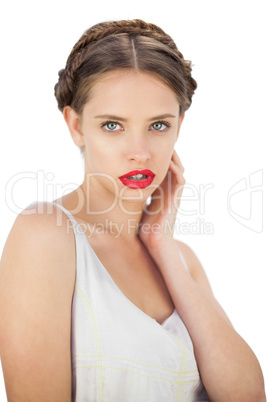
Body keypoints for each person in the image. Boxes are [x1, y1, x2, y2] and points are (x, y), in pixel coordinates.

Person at [0, 18, 266, 402]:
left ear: (179, 126)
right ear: (75, 125)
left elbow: (249, 396)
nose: (139, 152)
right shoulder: (45, 234)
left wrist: (161, 244)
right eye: (112, 125)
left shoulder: (184, 261)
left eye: (158, 125)